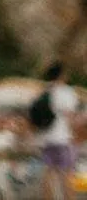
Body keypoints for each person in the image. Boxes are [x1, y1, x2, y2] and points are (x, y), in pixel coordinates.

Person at [35, 63, 78, 200]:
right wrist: (73, 135)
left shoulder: (44, 91)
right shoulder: (67, 92)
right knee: (68, 174)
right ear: (61, 75)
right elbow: (70, 116)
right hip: (63, 138)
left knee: (49, 173)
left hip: (47, 139)